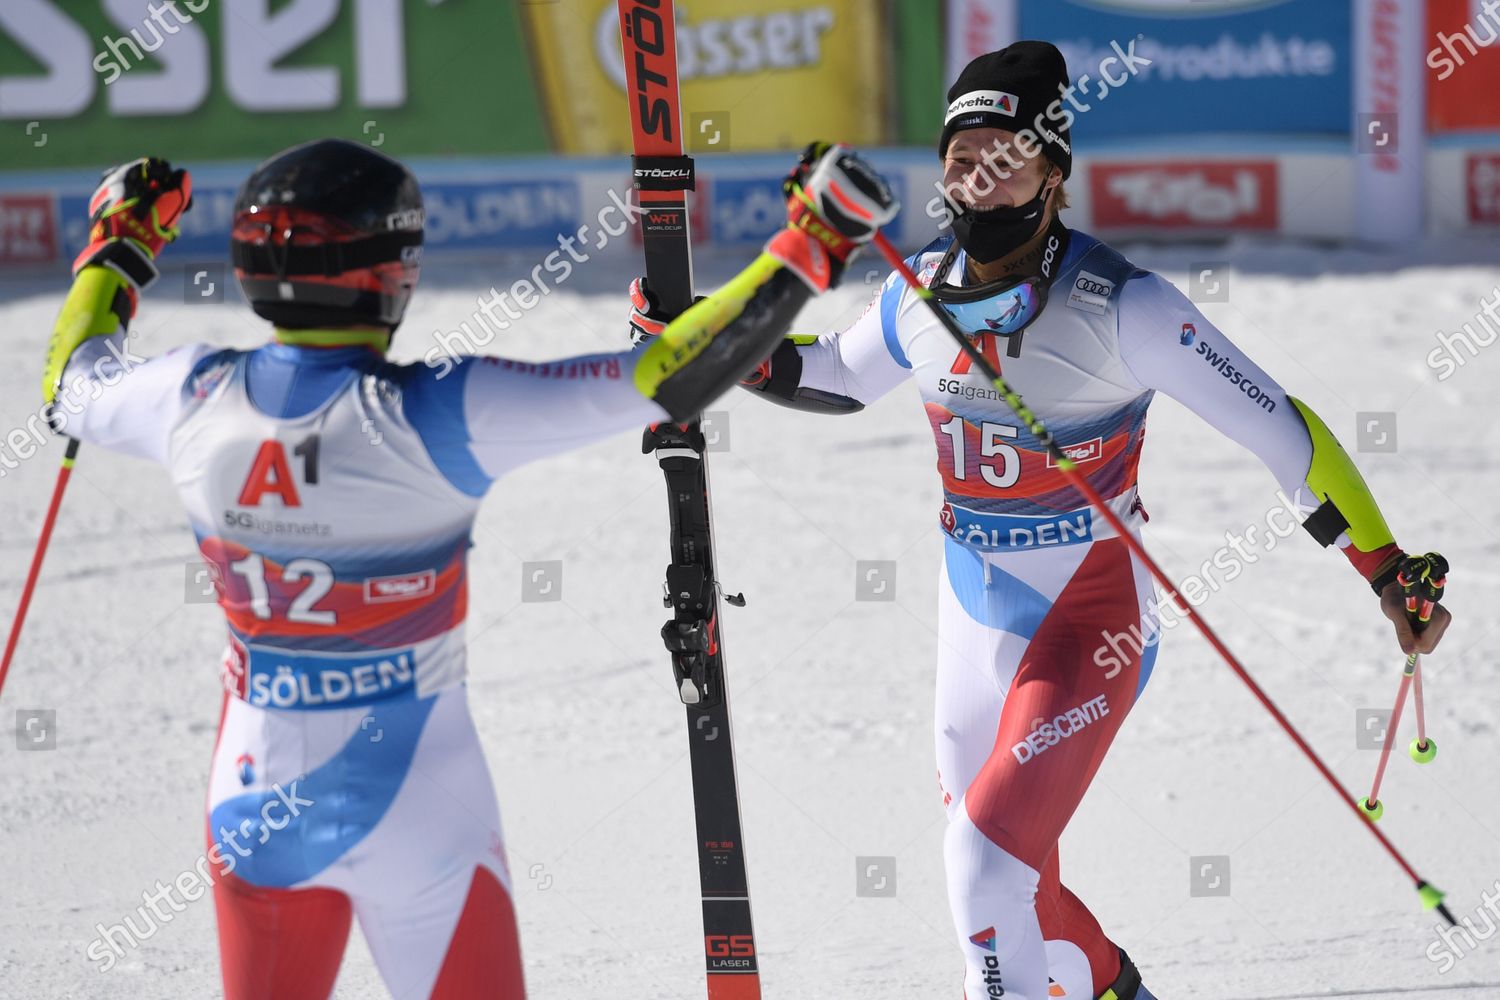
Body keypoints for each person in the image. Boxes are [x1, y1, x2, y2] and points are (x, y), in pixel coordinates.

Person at [629, 44, 1452, 1000]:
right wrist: (709, 337)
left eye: (1006, 153)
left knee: (982, 870)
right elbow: (837, 376)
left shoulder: (1127, 307)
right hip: (970, 618)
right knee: (1011, 879)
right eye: (961, 153)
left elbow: (1286, 434)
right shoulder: (919, 287)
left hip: (1092, 621)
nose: (978, 176)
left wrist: (1387, 569)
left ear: (1053, 174)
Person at [40, 139, 898, 1000]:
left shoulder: (188, 396)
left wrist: (119, 244)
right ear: (393, 274)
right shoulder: (432, 413)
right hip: (419, 812)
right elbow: (666, 379)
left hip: (254, 801)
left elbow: (70, 381)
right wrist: (811, 242)